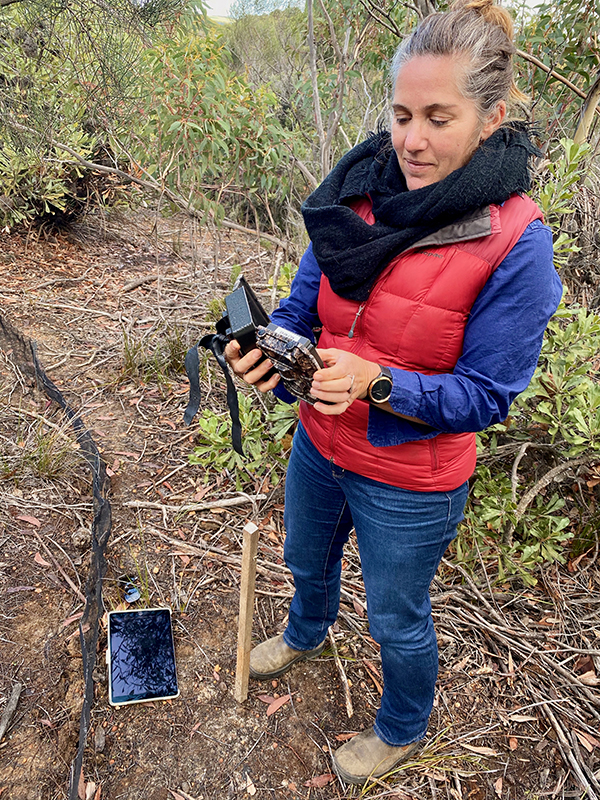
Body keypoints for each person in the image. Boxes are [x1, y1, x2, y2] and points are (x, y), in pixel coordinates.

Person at [225, 0, 562, 785]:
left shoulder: (515, 241)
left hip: (411, 480)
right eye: (402, 113)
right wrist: (268, 356)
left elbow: (486, 395)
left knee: (396, 617)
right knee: (305, 558)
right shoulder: (357, 195)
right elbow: (299, 309)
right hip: (320, 441)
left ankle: (403, 727)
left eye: (439, 117)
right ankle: (306, 631)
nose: (411, 139)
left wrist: (375, 382)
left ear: (491, 118)